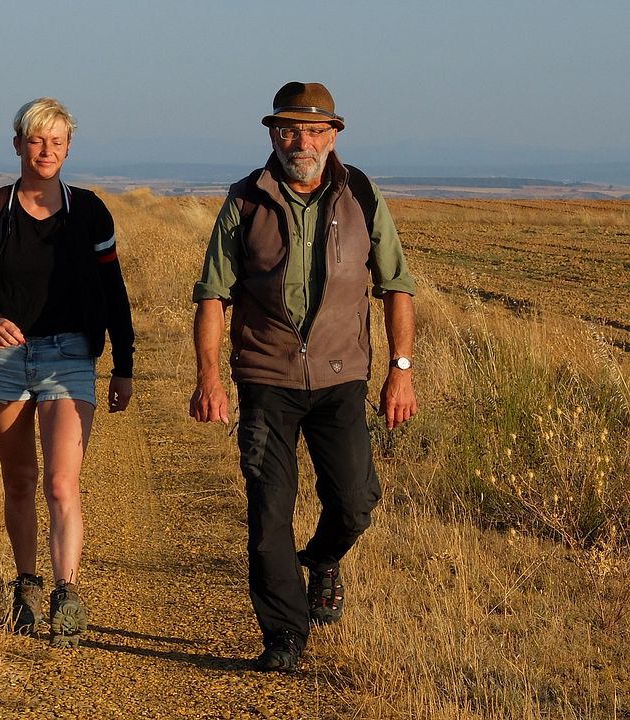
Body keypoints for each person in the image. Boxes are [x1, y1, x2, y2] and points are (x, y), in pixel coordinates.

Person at [189, 82, 417, 671]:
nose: (302, 142)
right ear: (271, 133)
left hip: (344, 377)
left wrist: (401, 371)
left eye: (315, 130)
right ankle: (284, 636)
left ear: (334, 135)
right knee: (269, 514)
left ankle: (322, 559)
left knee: (356, 501)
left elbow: (396, 286)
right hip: (267, 378)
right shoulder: (246, 199)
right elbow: (213, 294)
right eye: (289, 129)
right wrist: (209, 378)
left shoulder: (360, 195)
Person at [0, 97, 135, 648]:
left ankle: (67, 593)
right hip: (5, 359)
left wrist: (123, 365)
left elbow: (113, 292)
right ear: (18, 146)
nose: (47, 151)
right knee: (20, 481)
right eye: (36, 140)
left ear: (69, 148)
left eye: (57, 142)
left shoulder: (90, 212)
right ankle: (26, 584)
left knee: (61, 483)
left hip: (70, 356)